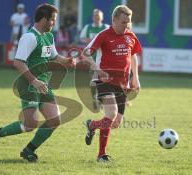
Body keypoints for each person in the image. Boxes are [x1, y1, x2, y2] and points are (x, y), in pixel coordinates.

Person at [0, 3, 75, 162]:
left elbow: (53, 56)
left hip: (43, 86)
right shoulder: (29, 37)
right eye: (52, 20)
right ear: (44, 19)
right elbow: (18, 62)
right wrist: (34, 81)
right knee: (30, 124)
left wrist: (66, 61)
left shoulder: (48, 36)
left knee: (54, 120)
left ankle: (28, 150)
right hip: (29, 85)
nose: (54, 23)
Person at [82, 5, 142, 162]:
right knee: (111, 113)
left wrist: (135, 77)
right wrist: (96, 68)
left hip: (122, 84)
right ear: (114, 20)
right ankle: (101, 155)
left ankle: (92, 125)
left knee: (114, 123)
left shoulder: (130, 35)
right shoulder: (103, 35)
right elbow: (86, 53)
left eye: (128, 22)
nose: (126, 25)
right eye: (123, 22)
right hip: (103, 80)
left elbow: (133, 55)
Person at [80, 9, 109, 110]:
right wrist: (91, 40)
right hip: (91, 59)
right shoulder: (88, 27)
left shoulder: (106, 28)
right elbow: (82, 38)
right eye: (95, 16)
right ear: (93, 17)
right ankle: (94, 99)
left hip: (103, 59)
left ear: (101, 18)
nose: (97, 18)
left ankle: (100, 100)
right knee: (93, 80)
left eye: (98, 17)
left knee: (103, 80)